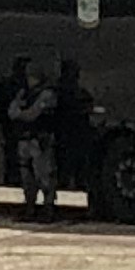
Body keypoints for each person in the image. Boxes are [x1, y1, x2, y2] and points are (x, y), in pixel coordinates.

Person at [0, 57, 56, 218]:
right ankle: (30, 207)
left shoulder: (47, 94)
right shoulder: (24, 93)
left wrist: (21, 113)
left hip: (40, 141)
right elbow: (11, 112)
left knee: (44, 175)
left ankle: (48, 208)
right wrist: (20, 112)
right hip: (24, 140)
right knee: (26, 177)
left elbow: (33, 114)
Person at [49, 59, 101, 218]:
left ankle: (93, 207)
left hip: (76, 138)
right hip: (66, 138)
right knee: (60, 173)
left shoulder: (75, 92)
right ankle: (50, 206)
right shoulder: (63, 92)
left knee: (85, 174)